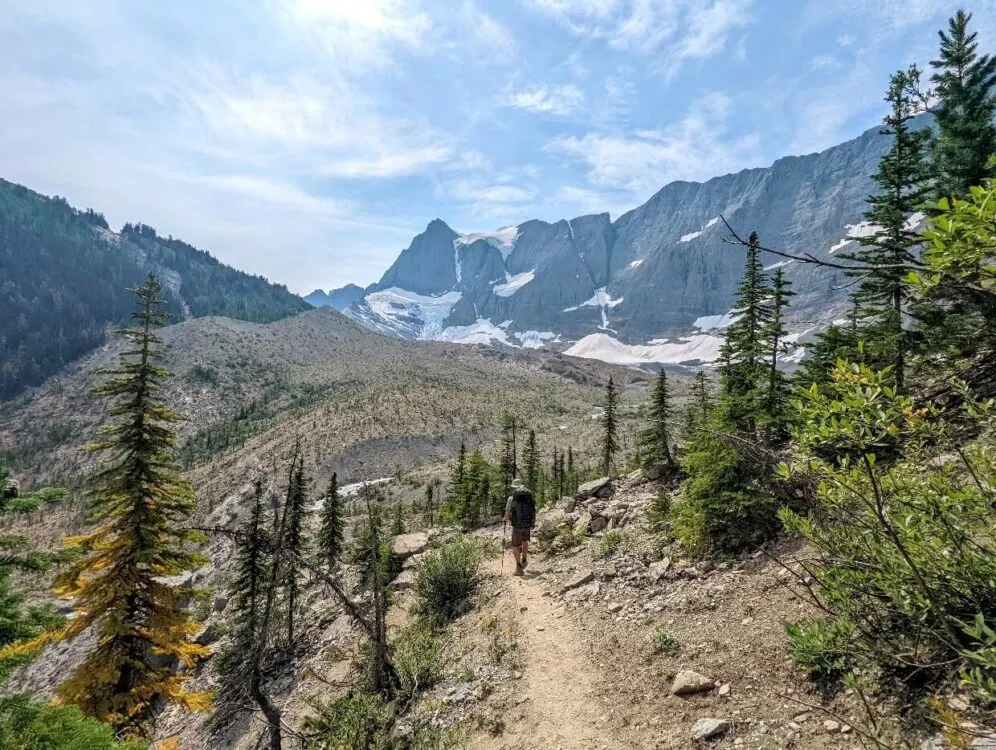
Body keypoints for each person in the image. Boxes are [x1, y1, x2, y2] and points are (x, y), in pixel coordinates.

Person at [504, 483, 536, 576]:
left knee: (515, 545)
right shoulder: (529, 497)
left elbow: (507, 512)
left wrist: (505, 519)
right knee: (525, 542)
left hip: (517, 525)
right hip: (527, 524)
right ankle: (524, 560)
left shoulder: (511, 498)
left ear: (514, 488)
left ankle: (518, 567)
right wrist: (533, 522)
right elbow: (533, 511)